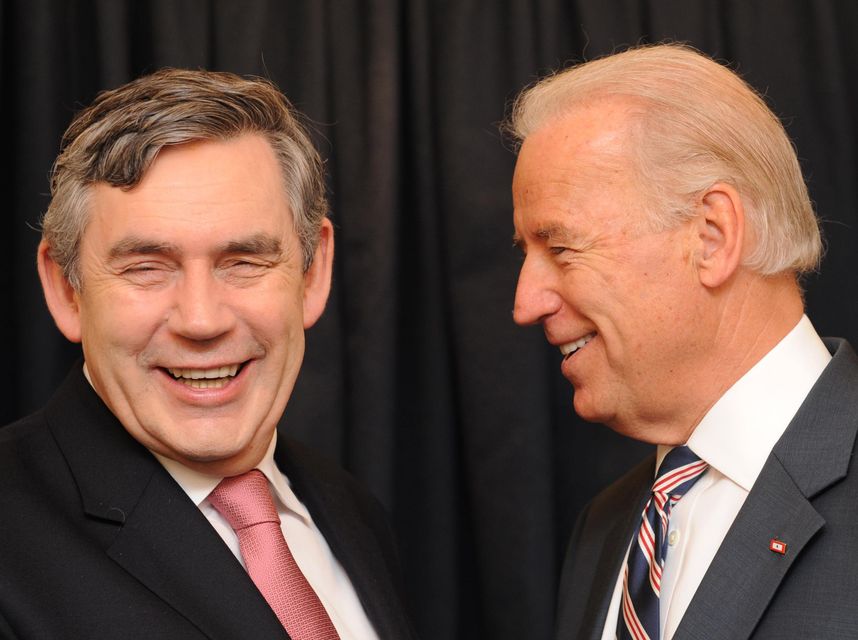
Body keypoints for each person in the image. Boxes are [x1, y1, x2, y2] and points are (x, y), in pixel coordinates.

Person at [0, 69, 415, 640]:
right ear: (67, 290)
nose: (202, 319)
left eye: (243, 261)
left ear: (312, 273)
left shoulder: (352, 514)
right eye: (146, 267)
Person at [508, 44, 858, 640]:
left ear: (712, 237)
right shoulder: (608, 527)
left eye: (561, 248)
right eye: (526, 254)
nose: (525, 303)